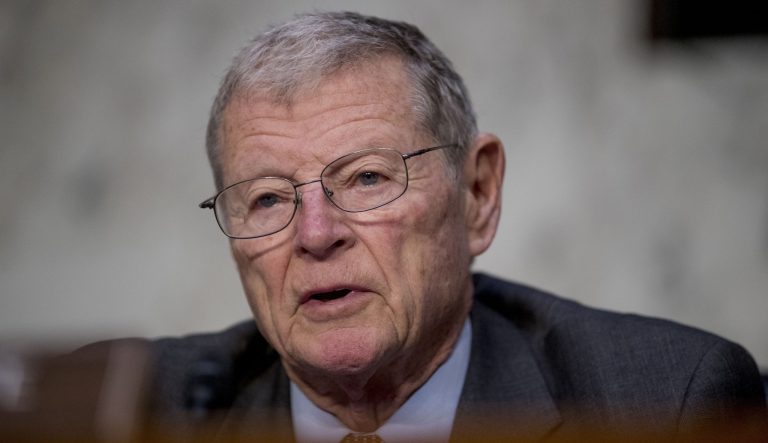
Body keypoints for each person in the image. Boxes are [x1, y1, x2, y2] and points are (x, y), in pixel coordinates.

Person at [146, 11, 765, 442]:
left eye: (366, 178)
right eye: (267, 199)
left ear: (478, 193)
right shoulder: (138, 410)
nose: (315, 234)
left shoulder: (666, 405)